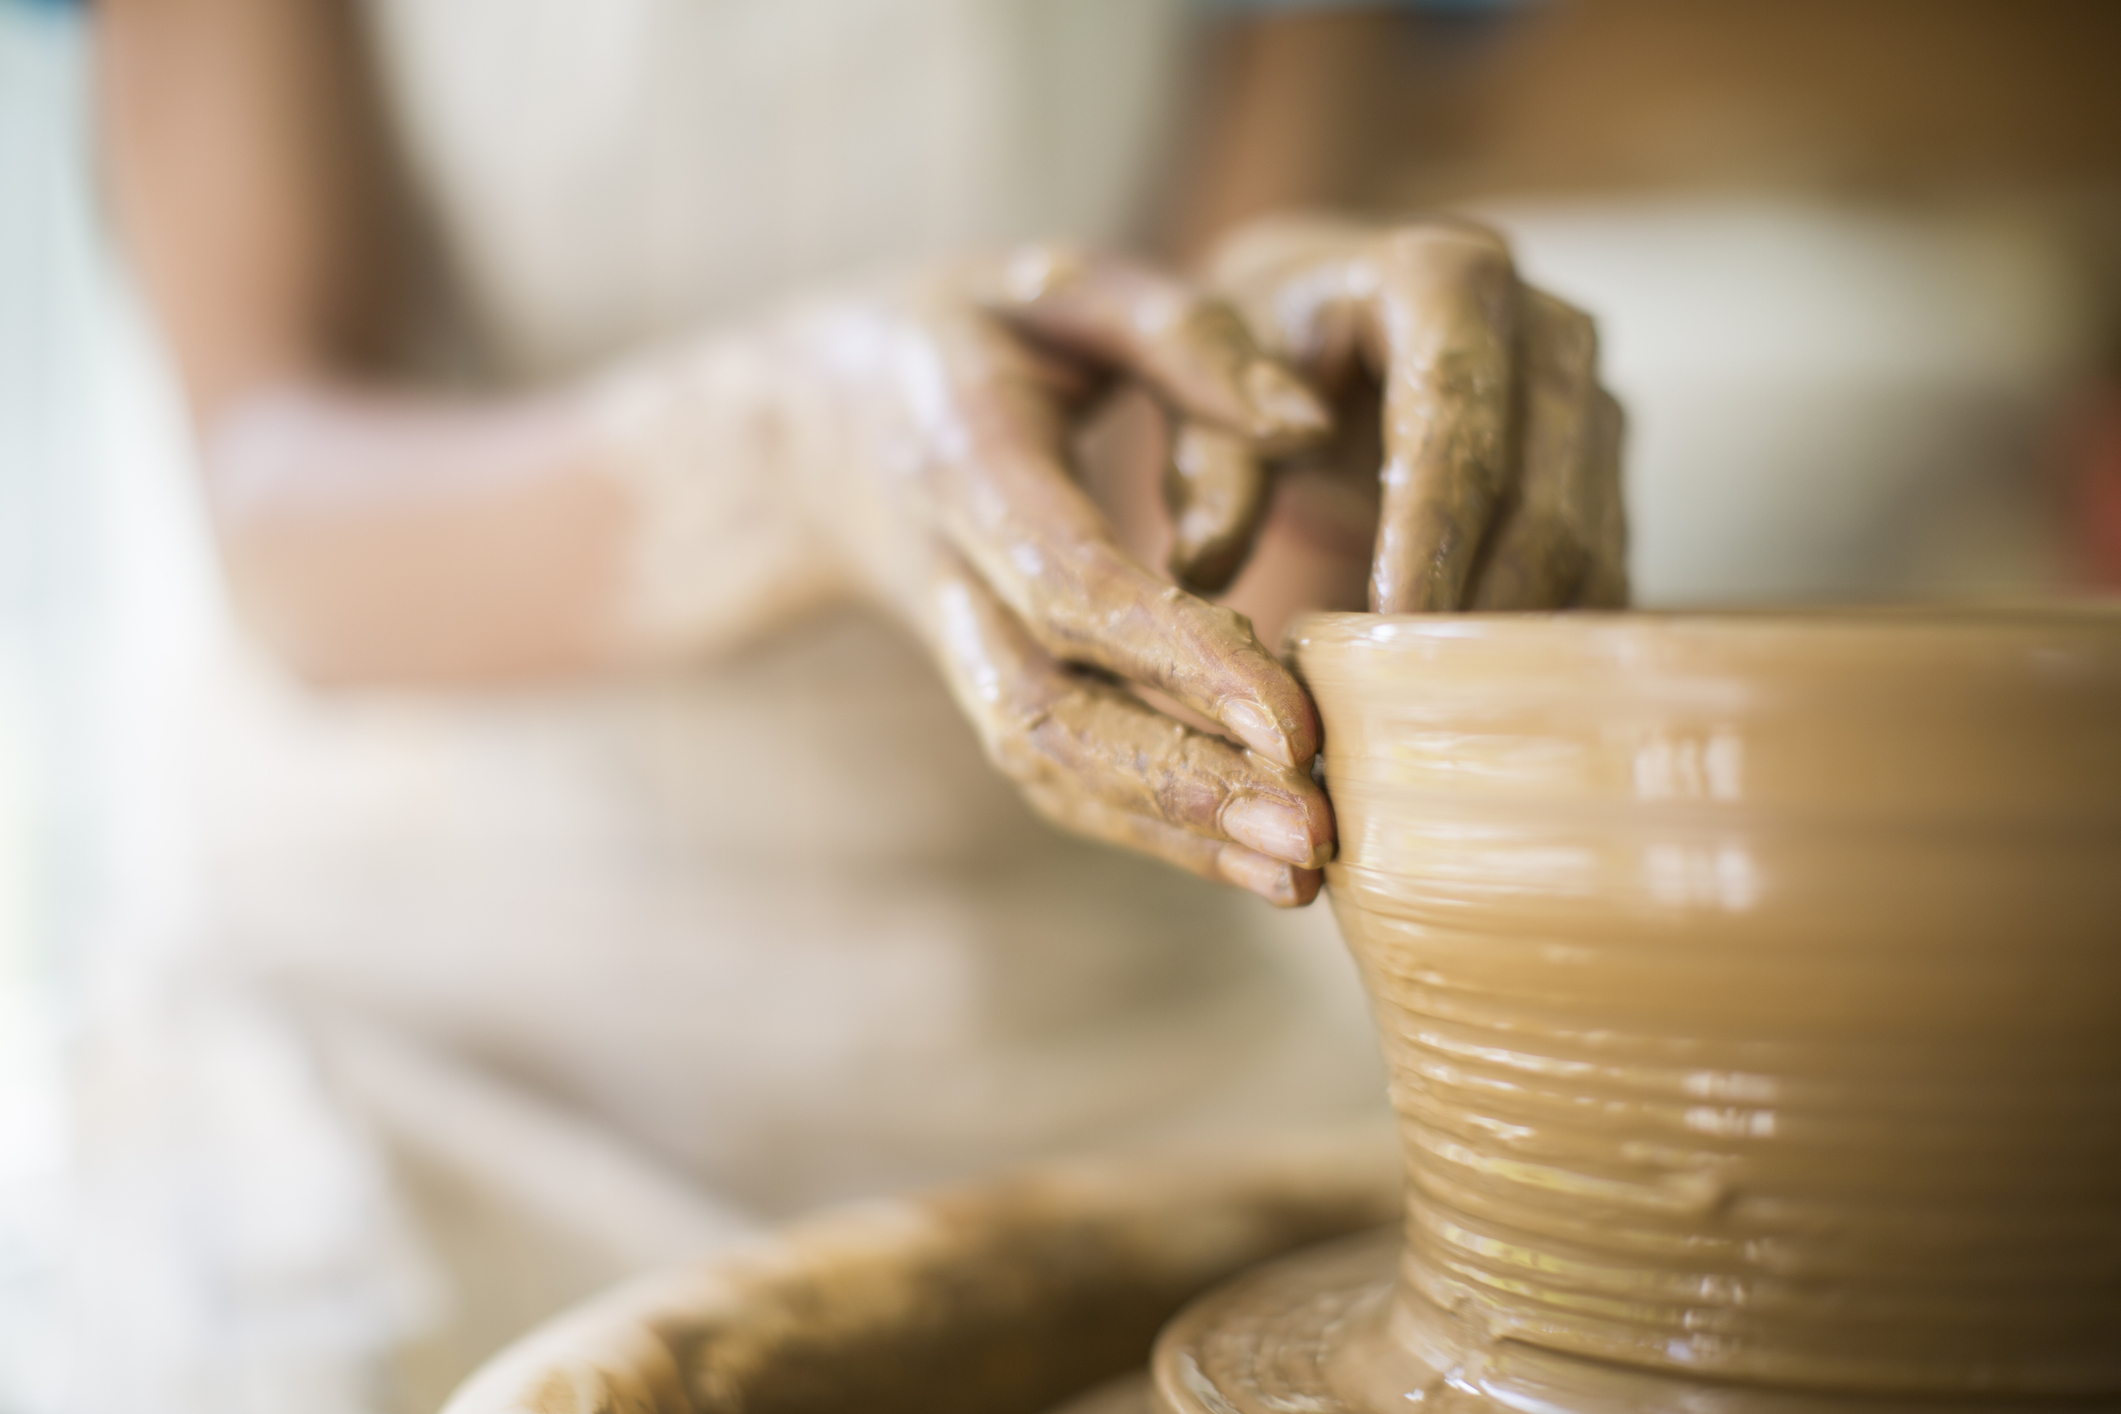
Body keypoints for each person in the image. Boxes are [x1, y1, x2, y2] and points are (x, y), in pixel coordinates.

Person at [77, 2, 1621, 1410]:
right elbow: (283, 514)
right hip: (441, 1046)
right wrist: (792, 444)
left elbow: (1213, 546)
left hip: (1096, 1036)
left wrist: (1331, 436)